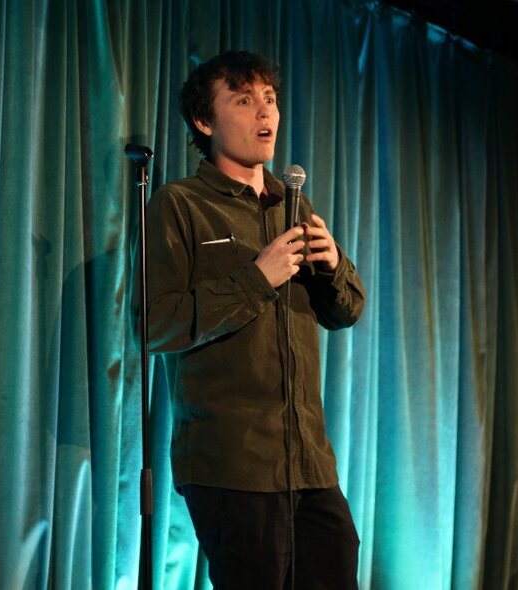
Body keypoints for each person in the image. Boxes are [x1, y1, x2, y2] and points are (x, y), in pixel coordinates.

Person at [137, 50, 366, 588]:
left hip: (309, 462)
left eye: (269, 98)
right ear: (204, 121)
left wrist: (333, 266)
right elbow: (155, 324)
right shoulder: (180, 205)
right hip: (232, 465)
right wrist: (255, 279)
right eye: (242, 100)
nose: (264, 111)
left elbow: (347, 312)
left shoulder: (295, 208)